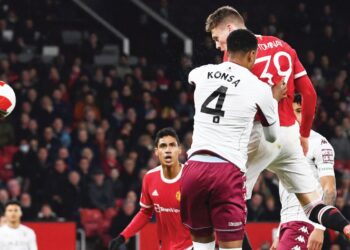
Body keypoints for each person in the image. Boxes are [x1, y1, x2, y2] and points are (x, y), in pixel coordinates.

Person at [205, 6, 350, 239]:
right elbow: (310, 94)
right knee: (312, 204)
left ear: (230, 29)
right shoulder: (284, 47)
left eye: (217, 38)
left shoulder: (236, 54)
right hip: (290, 136)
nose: (217, 45)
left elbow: (238, 104)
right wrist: (303, 135)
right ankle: (345, 227)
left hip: (259, 134)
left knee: (224, 202)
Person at [180, 29, 279, 249]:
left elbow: (190, 77)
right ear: (252, 55)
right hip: (227, 171)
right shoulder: (260, 88)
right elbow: (272, 137)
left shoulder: (201, 72)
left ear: (228, 50)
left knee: (201, 247)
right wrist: (272, 102)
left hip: (194, 168)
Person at [109, 127, 192, 250]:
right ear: (157, 152)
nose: (168, 150)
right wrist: (123, 236)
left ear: (179, 150)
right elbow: (145, 213)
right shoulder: (150, 177)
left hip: (191, 245)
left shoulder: (192, 177)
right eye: (163, 146)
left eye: (172, 146)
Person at [271, 94, 336, 250]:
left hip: (305, 223)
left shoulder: (319, 144)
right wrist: (280, 233)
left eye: (301, 111)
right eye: (293, 111)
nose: (297, 116)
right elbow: (289, 194)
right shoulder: (284, 144)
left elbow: (330, 189)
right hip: (288, 224)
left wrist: (320, 228)